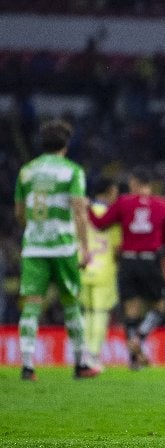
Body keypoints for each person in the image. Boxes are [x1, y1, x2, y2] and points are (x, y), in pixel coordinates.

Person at [14, 118, 100, 380]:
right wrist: (85, 249)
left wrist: (36, 230)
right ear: (66, 144)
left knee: (31, 305)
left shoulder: (26, 171)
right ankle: (80, 363)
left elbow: (19, 213)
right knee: (71, 303)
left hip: (34, 248)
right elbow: (79, 211)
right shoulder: (72, 171)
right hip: (62, 247)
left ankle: (27, 365)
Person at [88, 166, 165, 371]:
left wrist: (87, 208)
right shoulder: (163, 206)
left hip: (127, 261)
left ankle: (134, 360)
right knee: (160, 305)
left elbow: (100, 224)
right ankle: (139, 337)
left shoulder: (123, 202)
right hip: (149, 260)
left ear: (134, 183)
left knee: (131, 309)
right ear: (150, 185)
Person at [80, 176, 121, 371]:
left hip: (83, 266)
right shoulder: (111, 214)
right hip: (104, 268)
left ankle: (83, 355)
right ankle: (93, 355)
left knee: (86, 312)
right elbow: (117, 245)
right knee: (99, 313)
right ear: (111, 190)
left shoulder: (82, 213)